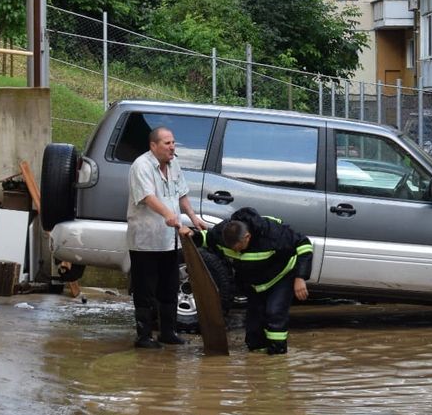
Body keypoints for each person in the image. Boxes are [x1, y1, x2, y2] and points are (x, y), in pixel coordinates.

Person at [126, 127, 206, 348]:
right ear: (154, 146)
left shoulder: (174, 164)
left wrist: (193, 217)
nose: (172, 147)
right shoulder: (141, 166)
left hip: (169, 240)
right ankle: (143, 337)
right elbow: (148, 197)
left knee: (169, 288)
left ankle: (168, 333)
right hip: (145, 240)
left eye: (173, 143)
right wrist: (169, 215)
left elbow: (181, 193)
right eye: (167, 143)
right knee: (145, 290)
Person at [216, 207, 313, 354]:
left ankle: (277, 358)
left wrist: (300, 278)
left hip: (281, 275)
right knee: (254, 325)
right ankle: (257, 364)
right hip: (255, 281)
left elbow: (304, 244)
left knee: (274, 312)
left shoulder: (273, 233)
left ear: (247, 237)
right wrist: (191, 235)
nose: (237, 252)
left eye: (238, 248)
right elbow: (204, 238)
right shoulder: (222, 233)